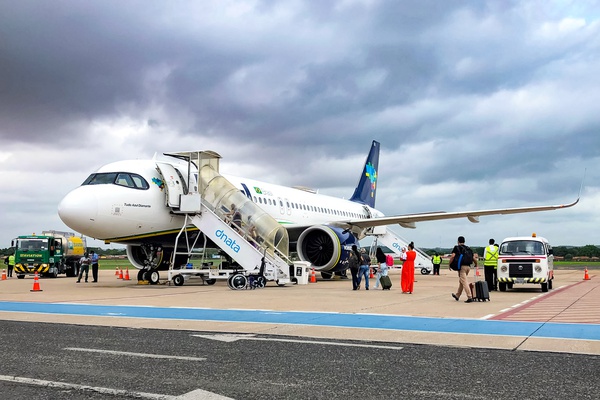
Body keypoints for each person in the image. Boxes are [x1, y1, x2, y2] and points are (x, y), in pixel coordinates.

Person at [449, 236, 475, 303]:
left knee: (464, 282)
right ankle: (457, 295)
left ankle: (469, 297)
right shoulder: (468, 248)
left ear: (458, 241)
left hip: (462, 267)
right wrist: (476, 264)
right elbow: (474, 258)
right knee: (462, 281)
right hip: (468, 267)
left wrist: (449, 264)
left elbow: (452, 256)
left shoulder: (457, 248)